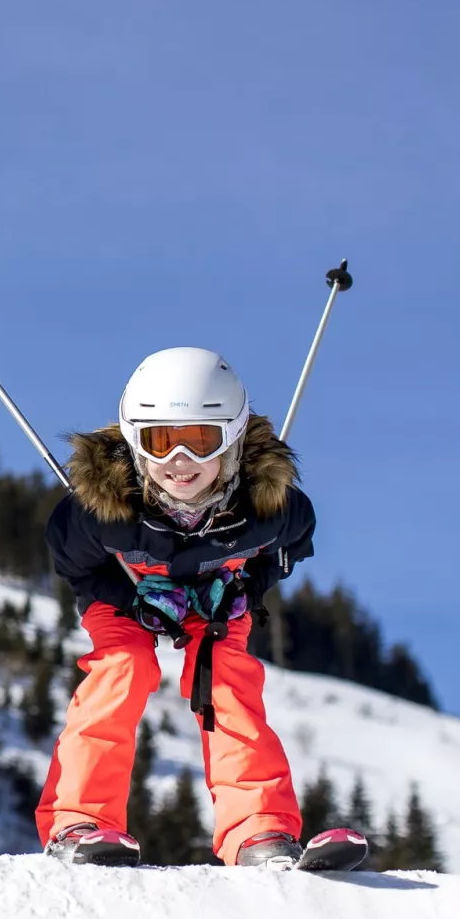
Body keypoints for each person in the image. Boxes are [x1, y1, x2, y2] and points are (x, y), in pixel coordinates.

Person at [37, 347, 320, 867]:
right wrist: (132, 601)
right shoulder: (108, 510)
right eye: (161, 442)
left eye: (200, 440)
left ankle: (258, 828)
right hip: (127, 593)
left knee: (225, 677)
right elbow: (76, 564)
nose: (180, 463)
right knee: (123, 667)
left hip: (216, 597)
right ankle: (79, 820)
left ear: (232, 439)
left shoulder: (266, 507)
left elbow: (292, 545)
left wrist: (246, 589)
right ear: (134, 443)